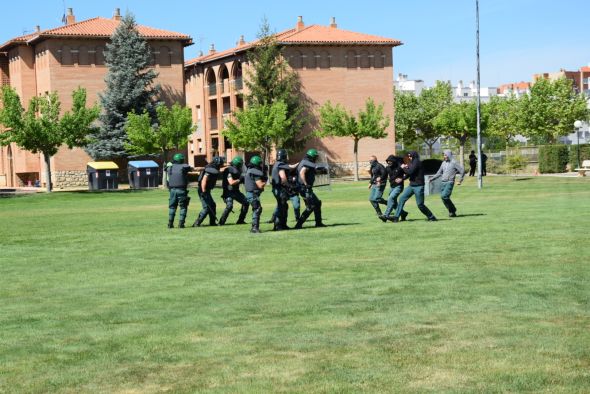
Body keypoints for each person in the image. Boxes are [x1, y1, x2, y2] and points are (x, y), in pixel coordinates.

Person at [391, 151, 437, 222]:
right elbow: (409, 174)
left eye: (410, 156)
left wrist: (403, 167)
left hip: (419, 186)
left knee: (420, 205)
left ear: (414, 156)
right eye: (409, 156)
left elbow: (410, 172)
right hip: (411, 186)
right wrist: (402, 179)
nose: (409, 157)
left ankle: (431, 216)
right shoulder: (411, 163)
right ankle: (396, 217)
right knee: (402, 199)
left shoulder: (417, 162)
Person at [294, 148, 327, 229]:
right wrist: (306, 184)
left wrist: (321, 172)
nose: (316, 158)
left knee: (317, 203)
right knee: (310, 206)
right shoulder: (306, 163)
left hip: (306, 189)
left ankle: (318, 223)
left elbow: (312, 172)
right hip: (305, 189)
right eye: (315, 157)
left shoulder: (307, 162)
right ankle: (298, 225)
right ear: (312, 157)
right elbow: (302, 173)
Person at [429, 149, 465, 217]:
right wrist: (432, 178)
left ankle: (453, 209)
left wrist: (460, 180)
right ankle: (452, 212)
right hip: (443, 182)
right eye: (443, 155)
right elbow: (439, 173)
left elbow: (462, 170)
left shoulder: (454, 162)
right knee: (443, 198)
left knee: (444, 196)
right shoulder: (443, 163)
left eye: (445, 155)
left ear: (449, 155)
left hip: (449, 182)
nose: (444, 156)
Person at [271, 149, 298, 231]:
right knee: (281, 207)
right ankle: (278, 225)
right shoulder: (280, 165)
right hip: (279, 189)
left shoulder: (276, 164)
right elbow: (283, 178)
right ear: (284, 156)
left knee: (284, 206)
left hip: (276, 189)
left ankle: (283, 224)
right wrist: (289, 186)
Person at [192, 156, 224, 227]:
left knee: (212, 205)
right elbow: (204, 180)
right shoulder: (209, 170)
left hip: (206, 190)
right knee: (207, 207)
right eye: (220, 164)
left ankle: (212, 222)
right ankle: (196, 223)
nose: (221, 165)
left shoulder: (212, 168)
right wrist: (203, 192)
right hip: (203, 190)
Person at [219, 156, 249, 226]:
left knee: (246, 203)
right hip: (228, 192)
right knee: (229, 206)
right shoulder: (229, 170)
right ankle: (221, 222)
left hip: (236, 191)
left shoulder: (237, 171)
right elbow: (231, 182)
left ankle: (240, 220)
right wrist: (240, 179)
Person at [167, 153, 192, 228]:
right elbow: (190, 168)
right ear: (181, 160)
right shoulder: (184, 166)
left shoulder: (169, 167)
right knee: (183, 207)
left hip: (172, 191)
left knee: (172, 207)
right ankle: (181, 224)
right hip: (181, 190)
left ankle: (170, 224)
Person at [244, 155, 266, 233]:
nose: (261, 165)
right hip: (252, 194)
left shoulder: (250, 170)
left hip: (251, 194)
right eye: (260, 163)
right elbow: (260, 184)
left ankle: (254, 227)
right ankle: (254, 228)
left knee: (256, 209)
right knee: (257, 209)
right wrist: (265, 182)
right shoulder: (255, 172)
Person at [382, 154, 408, 222]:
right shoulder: (387, 168)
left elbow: (408, 173)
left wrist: (402, 178)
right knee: (394, 203)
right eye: (388, 161)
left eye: (390, 161)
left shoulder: (399, 167)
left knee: (390, 198)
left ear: (394, 161)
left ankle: (386, 215)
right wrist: (377, 180)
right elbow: (383, 176)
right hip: (392, 187)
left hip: (399, 186)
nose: (389, 162)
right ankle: (403, 213)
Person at [368, 155, 388, 221]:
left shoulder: (380, 166)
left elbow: (385, 173)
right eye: (369, 160)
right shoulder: (372, 167)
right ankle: (379, 213)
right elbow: (373, 176)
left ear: (375, 160)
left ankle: (390, 203)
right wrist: (370, 183)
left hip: (380, 184)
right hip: (374, 184)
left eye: (371, 160)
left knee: (377, 198)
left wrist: (380, 179)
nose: (370, 162)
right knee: (371, 199)